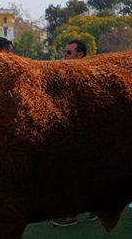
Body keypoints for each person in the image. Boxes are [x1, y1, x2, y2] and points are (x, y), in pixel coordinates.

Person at [52, 39, 96, 227]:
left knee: (69, 174)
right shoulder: (72, 72)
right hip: (77, 131)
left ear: (80, 55)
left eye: (68, 53)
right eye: (64, 52)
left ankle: (69, 215)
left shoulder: (84, 74)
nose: (64, 55)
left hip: (77, 132)